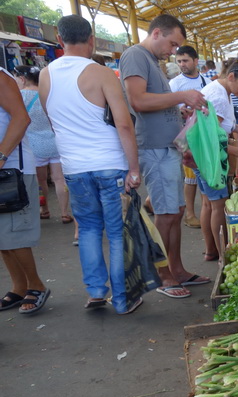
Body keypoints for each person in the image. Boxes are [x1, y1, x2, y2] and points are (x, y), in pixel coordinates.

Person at [40, 14, 142, 313]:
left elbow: (53, 120)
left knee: (87, 230)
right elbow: (124, 125)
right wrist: (134, 168)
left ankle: (96, 291)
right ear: (91, 39)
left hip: (74, 166)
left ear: (59, 40)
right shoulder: (100, 74)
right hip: (110, 163)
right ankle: (123, 300)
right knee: (116, 232)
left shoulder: (46, 75)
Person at [120, 13, 210, 299]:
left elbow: (154, 101)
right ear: (157, 33)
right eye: (172, 44)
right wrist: (182, 98)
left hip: (165, 146)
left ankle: (177, 269)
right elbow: (138, 100)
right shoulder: (136, 56)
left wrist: (177, 112)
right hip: (153, 148)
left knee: (177, 211)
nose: (173, 52)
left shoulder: (151, 62)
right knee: (166, 213)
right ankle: (163, 274)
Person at [0, 63, 50, 314]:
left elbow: (21, 118)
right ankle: (19, 286)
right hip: (5, 168)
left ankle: (37, 285)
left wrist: (0, 156)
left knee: (15, 234)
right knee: (2, 238)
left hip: (12, 170)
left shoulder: (1, 77)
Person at [197, 58, 238, 263]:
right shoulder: (220, 97)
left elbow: (218, 126)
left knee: (207, 204)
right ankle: (223, 254)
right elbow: (211, 138)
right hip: (210, 158)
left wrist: (237, 128)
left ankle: (211, 250)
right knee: (218, 206)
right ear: (231, 76)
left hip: (200, 156)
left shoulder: (220, 89)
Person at [14, 66, 72, 225]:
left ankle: (44, 209)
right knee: (60, 179)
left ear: (23, 79)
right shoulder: (49, 93)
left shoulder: (20, 96)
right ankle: (64, 213)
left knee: (41, 181)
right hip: (55, 142)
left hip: (34, 145)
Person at [169, 44, 208, 229]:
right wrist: (180, 109)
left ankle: (205, 212)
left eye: (185, 61)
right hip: (186, 136)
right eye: (179, 61)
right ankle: (190, 214)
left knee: (204, 175)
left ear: (195, 61)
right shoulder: (175, 83)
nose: (182, 65)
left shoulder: (206, 81)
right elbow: (169, 105)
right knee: (191, 177)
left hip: (203, 134)